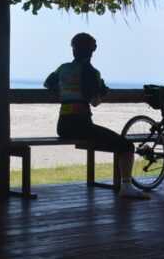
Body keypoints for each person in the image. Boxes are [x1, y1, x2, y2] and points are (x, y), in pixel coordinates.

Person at [44, 32, 149, 200]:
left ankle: (126, 186)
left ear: (73, 50)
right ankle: (126, 186)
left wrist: (63, 91)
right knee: (126, 146)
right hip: (82, 126)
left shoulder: (63, 68)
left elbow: (48, 83)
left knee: (113, 142)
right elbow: (94, 102)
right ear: (92, 51)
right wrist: (101, 92)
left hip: (63, 126)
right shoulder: (93, 72)